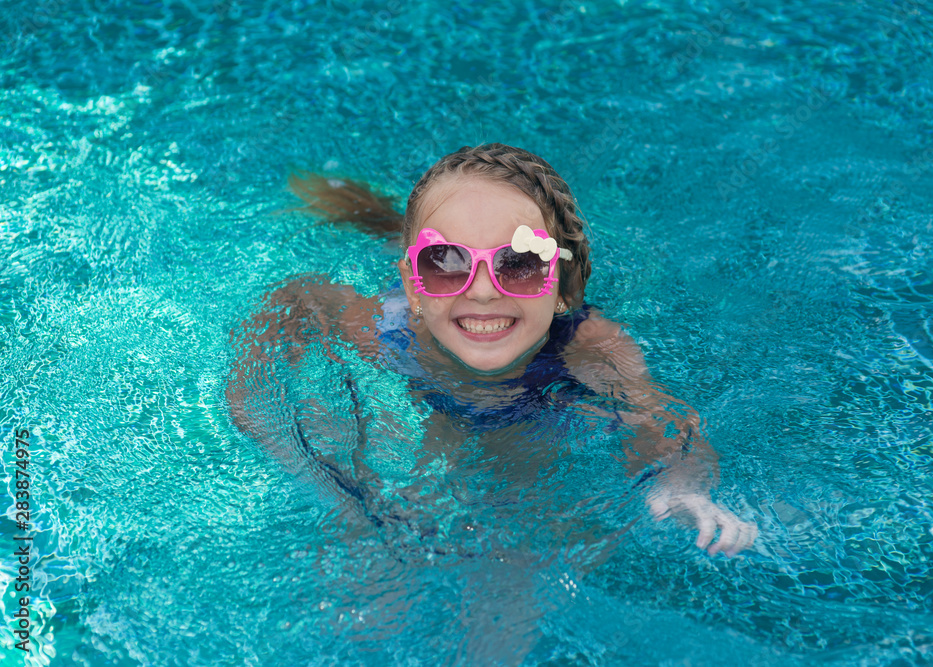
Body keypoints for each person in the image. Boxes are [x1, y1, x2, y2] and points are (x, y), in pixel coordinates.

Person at [226, 143, 756, 558]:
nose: (482, 290)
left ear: (562, 285)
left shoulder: (591, 349)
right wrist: (294, 427)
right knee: (370, 548)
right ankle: (377, 218)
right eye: (445, 262)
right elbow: (293, 302)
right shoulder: (385, 330)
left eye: (519, 264)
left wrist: (684, 487)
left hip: (535, 403)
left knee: (527, 550)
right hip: (432, 385)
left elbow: (662, 419)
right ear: (412, 285)